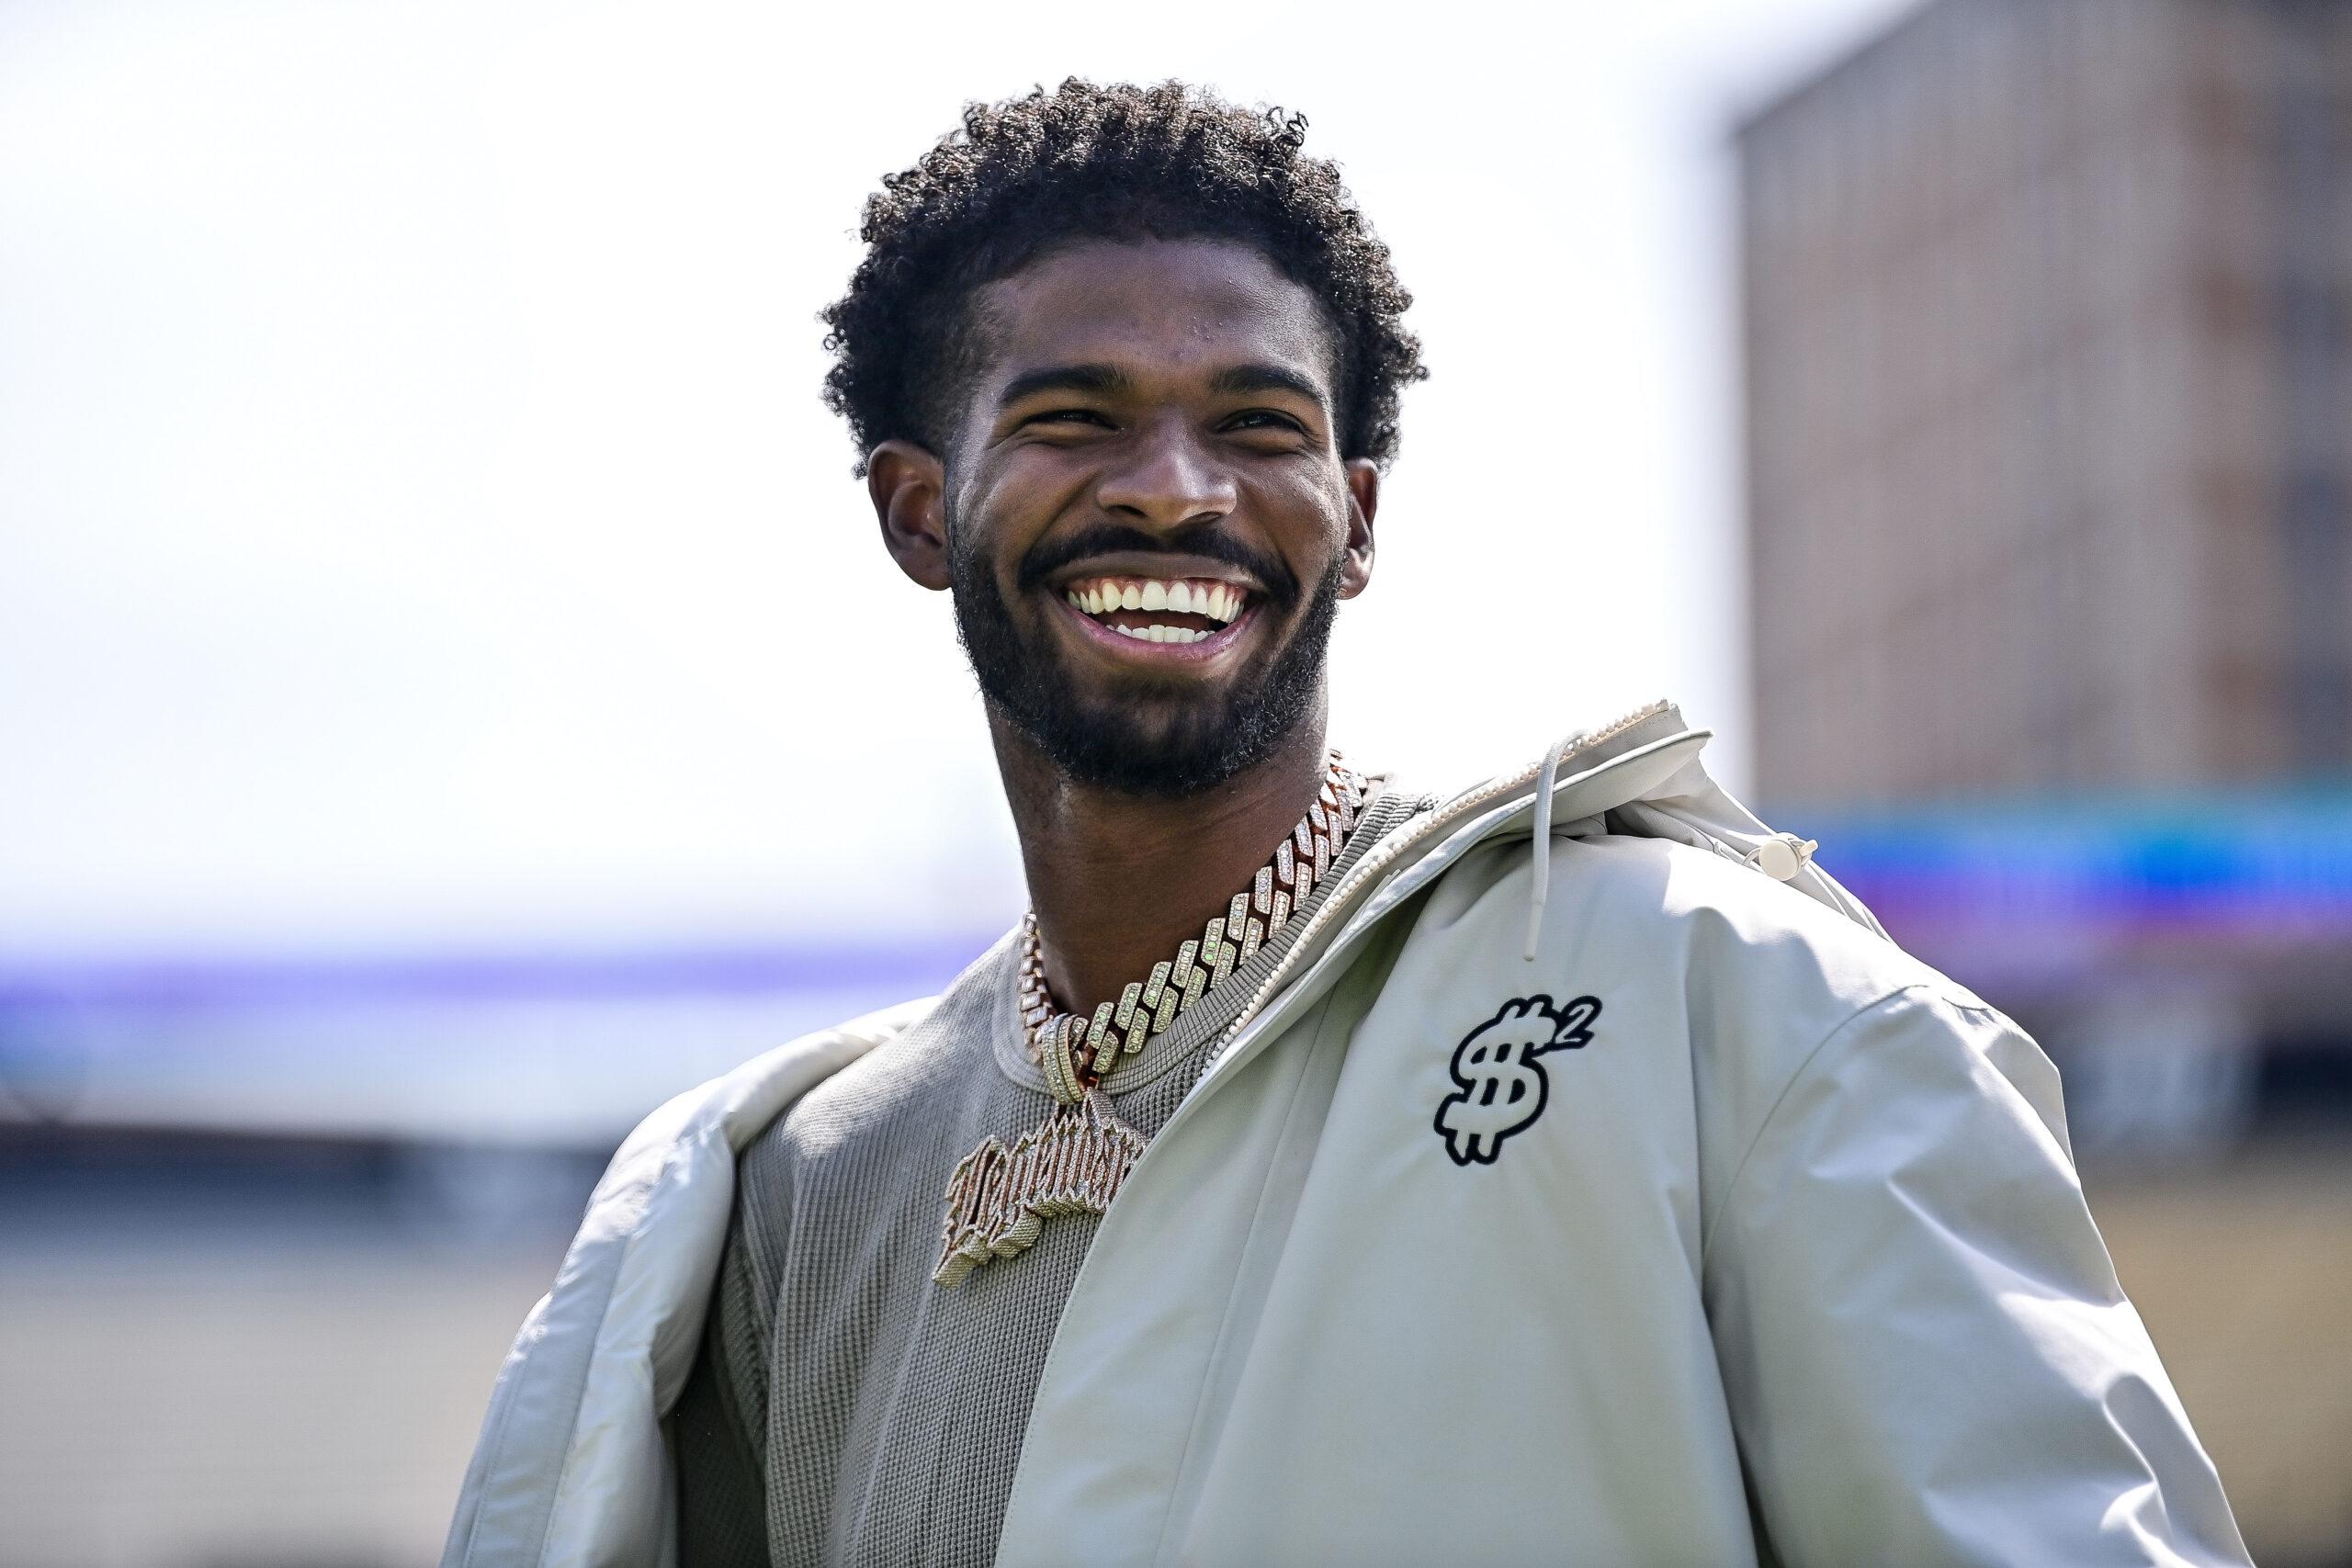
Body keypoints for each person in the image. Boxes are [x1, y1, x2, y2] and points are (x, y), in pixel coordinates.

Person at [441, 80, 2249, 1568]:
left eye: (1255, 424)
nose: (1174, 490)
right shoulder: (791, 1193)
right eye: (1075, 417)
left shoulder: (1730, 1002)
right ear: (921, 510)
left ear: (1353, 516)